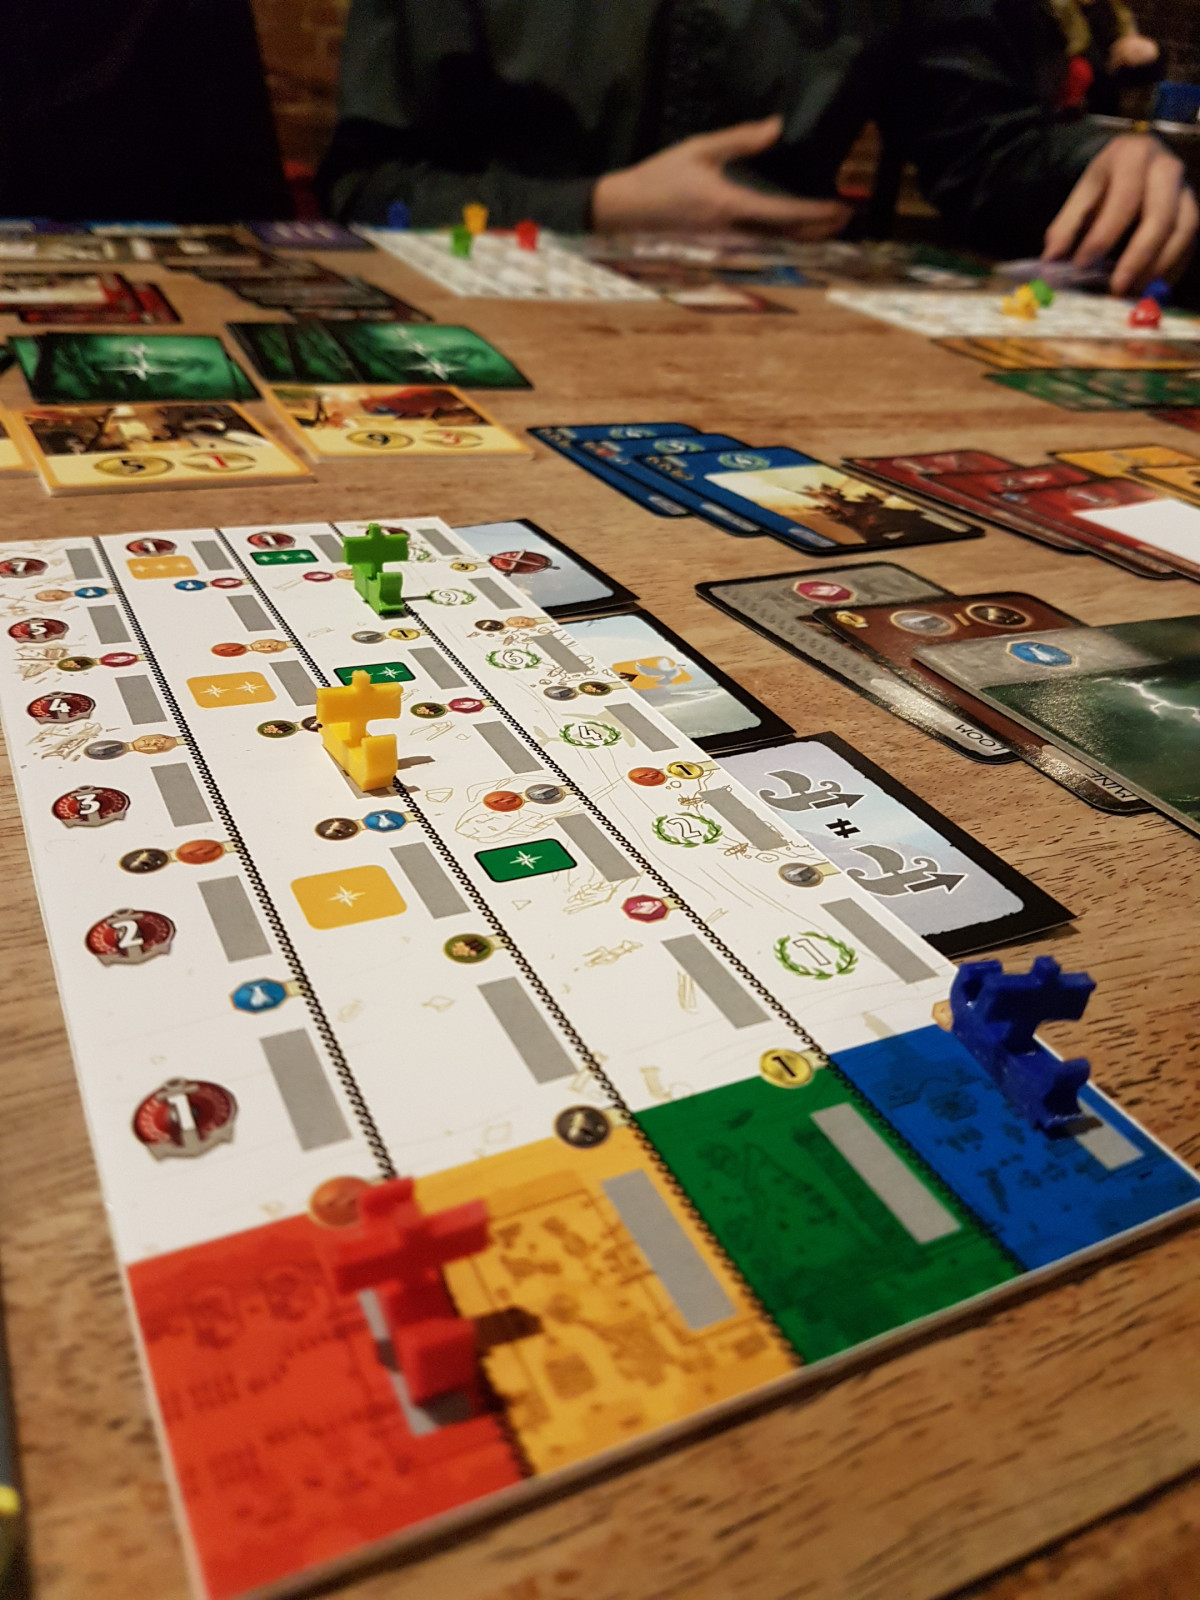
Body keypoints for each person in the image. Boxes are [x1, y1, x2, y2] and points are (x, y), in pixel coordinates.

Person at [319, 0, 1196, 297]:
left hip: (776, 353)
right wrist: (599, 208)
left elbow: (983, 161)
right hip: (484, 324)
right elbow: (366, 188)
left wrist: (1097, 159)